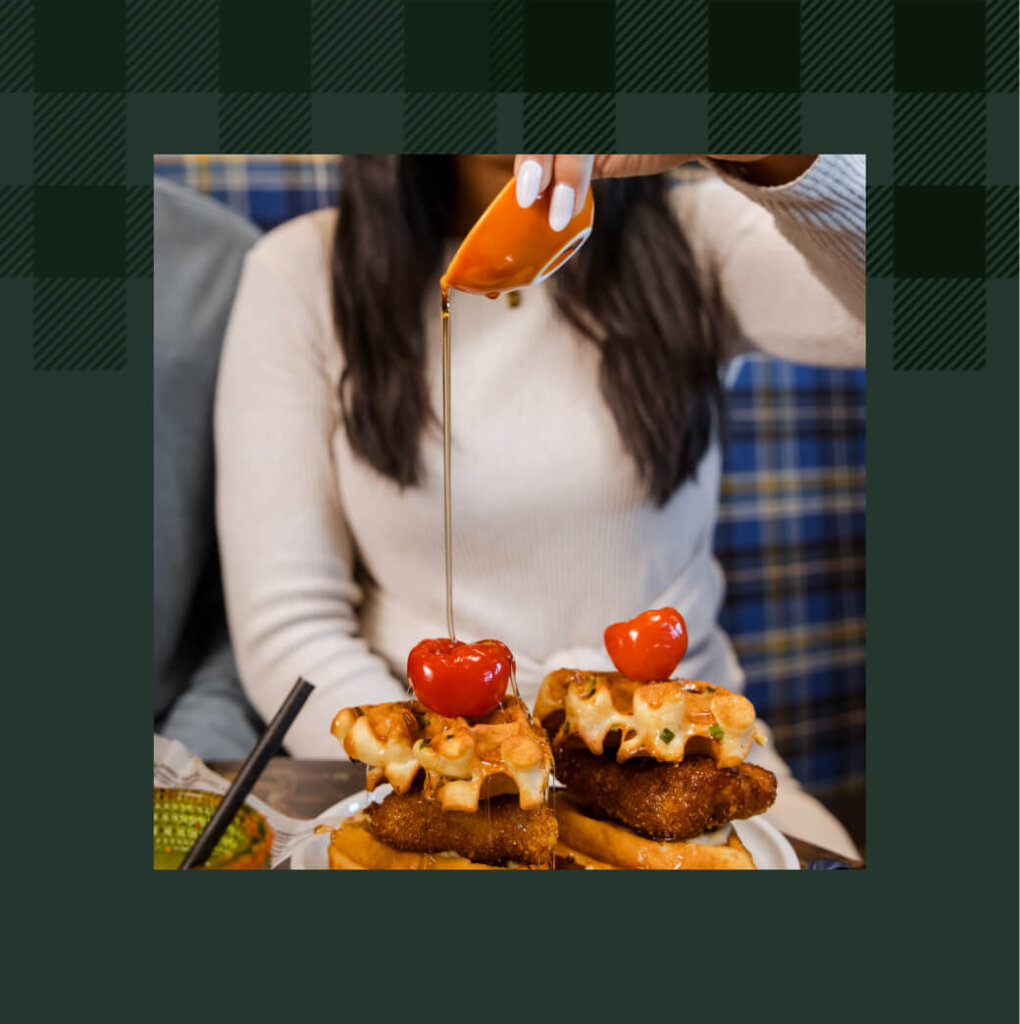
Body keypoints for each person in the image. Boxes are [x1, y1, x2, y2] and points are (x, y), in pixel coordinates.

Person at [215, 153, 865, 856]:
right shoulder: (300, 272)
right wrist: (450, 769)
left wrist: (773, 147)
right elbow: (288, 621)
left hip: (695, 772)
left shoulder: (699, 229)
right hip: (424, 795)